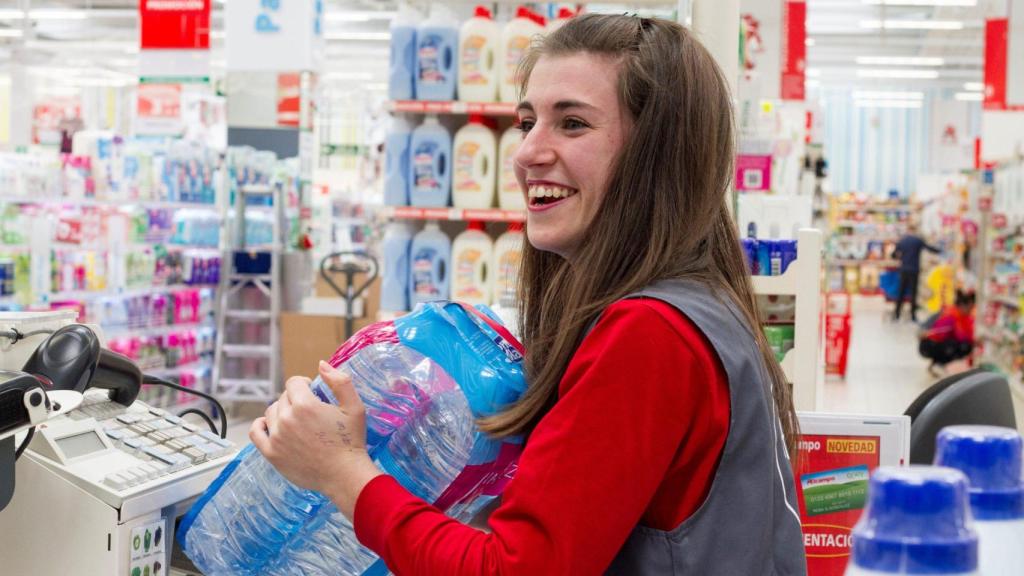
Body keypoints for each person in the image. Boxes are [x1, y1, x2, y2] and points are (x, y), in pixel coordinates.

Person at [251, 14, 806, 575]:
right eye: (527, 122)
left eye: (572, 124)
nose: (526, 154)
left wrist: (343, 473)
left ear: (657, 155)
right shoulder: (701, 305)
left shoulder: (650, 333)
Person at [891, 222, 941, 322]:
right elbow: (929, 248)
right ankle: (913, 316)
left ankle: (897, 314)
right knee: (913, 293)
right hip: (914, 270)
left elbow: (893, 255)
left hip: (904, 269)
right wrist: (940, 250)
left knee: (901, 292)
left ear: (908, 230)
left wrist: (900, 256)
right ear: (914, 230)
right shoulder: (918, 241)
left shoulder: (902, 241)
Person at [919, 290, 976, 377]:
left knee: (960, 344)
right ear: (963, 306)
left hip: (934, 343)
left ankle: (937, 363)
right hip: (928, 345)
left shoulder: (959, 315)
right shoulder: (952, 315)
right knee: (963, 346)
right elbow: (960, 336)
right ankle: (939, 364)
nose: (971, 310)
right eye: (970, 308)